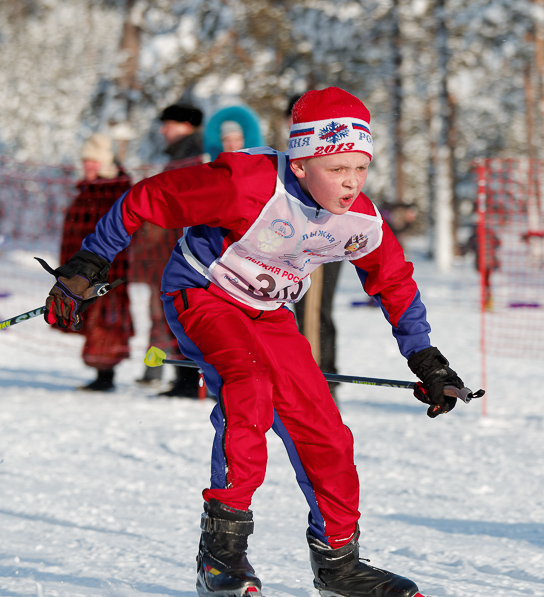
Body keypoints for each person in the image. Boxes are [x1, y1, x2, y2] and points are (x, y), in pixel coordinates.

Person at [43, 86, 477, 597]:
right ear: (299, 164)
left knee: (325, 429)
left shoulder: (360, 219)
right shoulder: (246, 184)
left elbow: (394, 282)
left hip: (269, 315)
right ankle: (220, 557)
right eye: (337, 170)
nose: (351, 183)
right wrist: (89, 264)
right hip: (203, 293)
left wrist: (426, 358)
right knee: (246, 385)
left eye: (360, 169)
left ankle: (339, 564)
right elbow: (147, 197)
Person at [132, 102, 205, 396]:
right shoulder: (179, 156)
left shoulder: (194, 157)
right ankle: (180, 377)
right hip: (171, 250)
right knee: (173, 312)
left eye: (170, 124)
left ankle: (189, 380)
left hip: (186, 251)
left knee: (186, 312)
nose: (164, 130)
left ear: (187, 126)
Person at [56, 134, 134, 391]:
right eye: (85, 161)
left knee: (106, 319)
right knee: (92, 318)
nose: (88, 166)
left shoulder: (110, 193)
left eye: (93, 161)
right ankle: (101, 371)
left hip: (107, 269)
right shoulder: (87, 191)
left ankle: (105, 373)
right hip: (83, 268)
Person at [284, 93, 344, 404]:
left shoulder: (322, 149)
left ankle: (318, 380)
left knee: (313, 311)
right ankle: (315, 376)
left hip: (319, 242)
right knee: (306, 310)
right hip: (298, 241)